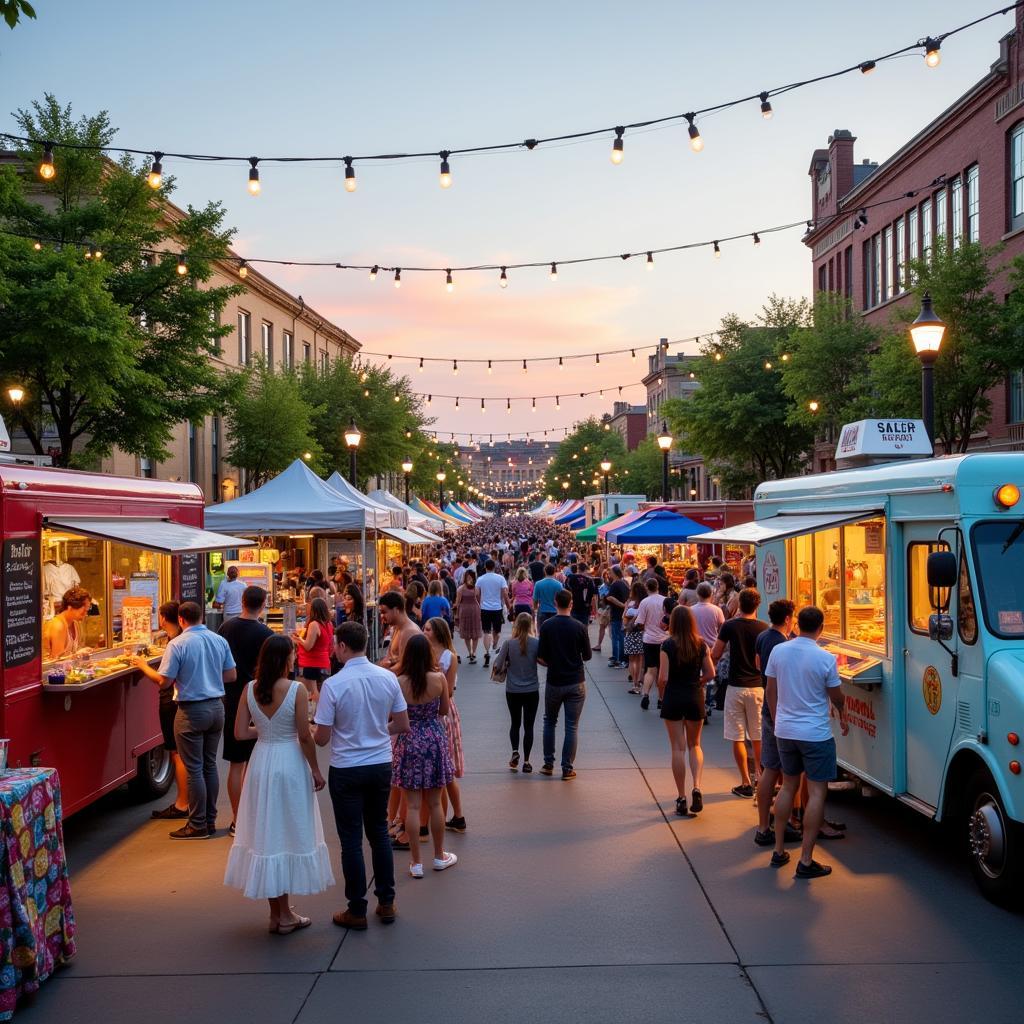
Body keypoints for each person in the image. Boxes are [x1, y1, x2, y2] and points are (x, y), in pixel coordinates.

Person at [224, 635, 332, 932]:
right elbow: (304, 735)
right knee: (288, 832)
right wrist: (316, 769)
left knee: (267, 833)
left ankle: (278, 912)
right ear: (286, 659)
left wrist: (266, 729)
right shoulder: (296, 690)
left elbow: (240, 734)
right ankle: (284, 916)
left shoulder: (249, 689)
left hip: (261, 763)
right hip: (289, 763)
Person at [315, 622, 410, 929]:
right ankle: (387, 901)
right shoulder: (387, 678)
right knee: (379, 833)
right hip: (380, 762)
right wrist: (377, 731)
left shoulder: (334, 684)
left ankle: (356, 908)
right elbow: (402, 723)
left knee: (351, 840)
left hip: (346, 767)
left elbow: (322, 738)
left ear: (342, 646)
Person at [765, 606, 848, 879]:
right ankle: (806, 859)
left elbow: (771, 691)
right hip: (816, 733)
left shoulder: (779, 651)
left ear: (797, 624)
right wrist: (843, 715)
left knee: (788, 785)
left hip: (785, 730)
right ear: (821, 628)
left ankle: (778, 850)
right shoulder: (825, 658)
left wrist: (779, 721)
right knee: (816, 793)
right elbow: (836, 696)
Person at [156, 601, 236, 839]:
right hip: (216, 708)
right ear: (201, 616)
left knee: (194, 769)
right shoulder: (219, 640)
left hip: (191, 711)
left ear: (181, 620)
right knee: (209, 765)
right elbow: (231, 675)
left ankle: (198, 824)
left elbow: (165, 682)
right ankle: (210, 820)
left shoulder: (177, 644)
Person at [391, 634, 458, 877]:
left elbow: (393, 715)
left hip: (409, 740)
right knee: (434, 803)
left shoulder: (398, 682)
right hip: (433, 739)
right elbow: (443, 710)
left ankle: (416, 862)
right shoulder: (439, 678)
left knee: (411, 805)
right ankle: (439, 856)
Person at [219, 586, 273, 836]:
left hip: (231, 698)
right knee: (258, 762)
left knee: (236, 763)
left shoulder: (225, 629)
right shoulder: (266, 634)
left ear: (241, 601)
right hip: (259, 698)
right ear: (263, 604)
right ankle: (257, 817)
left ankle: (237, 819)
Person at [132, 601, 187, 820]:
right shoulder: (182, 639)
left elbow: (163, 681)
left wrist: (141, 665)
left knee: (176, 753)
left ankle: (183, 803)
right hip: (186, 703)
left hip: (172, 701)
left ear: (163, 618)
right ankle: (191, 803)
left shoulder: (174, 644)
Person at [659, 606, 716, 816]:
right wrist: (698, 682)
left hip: (674, 695)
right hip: (694, 695)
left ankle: (681, 797)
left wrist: (661, 695)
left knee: (677, 748)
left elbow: (663, 677)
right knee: (695, 745)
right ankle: (697, 787)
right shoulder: (700, 644)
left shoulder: (667, 645)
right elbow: (711, 672)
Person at [712, 588, 767, 798]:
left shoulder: (729, 626)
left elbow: (716, 652)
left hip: (735, 686)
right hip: (757, 686)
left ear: (739, 604)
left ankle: (745, 781)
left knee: (737, 736)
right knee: (758, 735)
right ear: (757, 605)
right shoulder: (764, 628)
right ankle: (761, 776)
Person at [754, 599, 798, 847]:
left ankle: (764, 826)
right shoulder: (782, 644)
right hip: (780, 709)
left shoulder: (762, 637)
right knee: (788, 773)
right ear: (789, 618)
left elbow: (758, 666)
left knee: (770, 768)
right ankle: (785, 821)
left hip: (769, 709)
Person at [537, 590, 592, 780]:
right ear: (571, 604)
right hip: (576, 681)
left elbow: (541, 657)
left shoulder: (547, 626)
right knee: (571, 726)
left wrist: (552, 662)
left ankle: (548, 763)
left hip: (554, 680)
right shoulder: (579, 627)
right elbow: (587, 655)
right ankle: (567, 768)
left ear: (555, 602)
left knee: (549, 722)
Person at [424, 617, 466, 833]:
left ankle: (453, 816)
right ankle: (452, 817)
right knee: (441, 770)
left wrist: (434, 680)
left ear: (438, 632)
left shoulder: (450, 656)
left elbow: (448, 691)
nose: (424, 631)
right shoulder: (424, 652)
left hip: (442, 712)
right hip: (429, 711)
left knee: (444, 770)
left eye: (428, 629)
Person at [493, 612, 540, 773]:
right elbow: (542, 660)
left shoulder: (508, 643)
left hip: (513, 689)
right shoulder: (536, 643)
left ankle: (514, 752)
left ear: (516, 625)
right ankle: (527, 761)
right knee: (529, 726)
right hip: (532, 689)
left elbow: (498, 665)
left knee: (515, 723)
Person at [293, 597, 333, 718]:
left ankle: (320, 717)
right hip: (324, 662)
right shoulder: (329, 624)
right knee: (322, 692)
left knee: (313, 693)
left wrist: (298, 639)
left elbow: (308, 646)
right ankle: (323, 716)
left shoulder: (314, 624)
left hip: (312, 663)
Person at [634, 578, 669, 711]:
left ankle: (646, 694)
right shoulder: (665, 600)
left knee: (650, 669)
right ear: (658, 587)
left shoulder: (645, 602)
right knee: (663, 671)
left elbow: (640, 622)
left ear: (647, 588)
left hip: (649, 639)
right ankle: (661, 698)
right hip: (664, 640)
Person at [691, 582, 725, 716]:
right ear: (711, 594)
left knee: (699, 674)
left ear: (698, 594)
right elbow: (722, 628)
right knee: (711, 675)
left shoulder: (691, 610)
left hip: (696, 646)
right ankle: (708, 703)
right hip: (712, 647)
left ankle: (700, 700)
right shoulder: (717, 610)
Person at [476, 559, 510, 669]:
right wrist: (508, 606)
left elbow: (476, 593)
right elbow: (505, 593)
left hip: (485, 608)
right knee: (497, 631)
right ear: (494, 567)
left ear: (485, 567)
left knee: (486, 631)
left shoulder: (480, 579)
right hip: (497, 608)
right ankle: (494, 644)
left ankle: (487, 652)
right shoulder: (500, 578)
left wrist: (480, 601)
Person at [44, 585, 92, 660]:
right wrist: (77, 655)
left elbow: (75, 652)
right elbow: (56, 661)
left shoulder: (76, 623)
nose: (85, 614)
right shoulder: (58, 625)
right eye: (83, 611)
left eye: (87, 610)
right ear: (70, 608)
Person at [378, 590, 420, 672]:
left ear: (396, 610)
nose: (382, 616)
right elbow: (391, 656)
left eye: (384, 612)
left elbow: (405, 666)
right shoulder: (396, 628)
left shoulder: (409, 632)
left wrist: (384, 673)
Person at [623, 579, 647, 694]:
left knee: (632, 660)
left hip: (631, 633)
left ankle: (635, 684)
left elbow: (624, 620)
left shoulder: (630, 604)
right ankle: (639, 682)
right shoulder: (645, 603)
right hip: (642, 634)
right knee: (640, 660)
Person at [454, 568, 482, 663]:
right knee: (468, 633)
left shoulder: (464, 589)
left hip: (469, 610)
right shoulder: (463, 589)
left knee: (474, 634)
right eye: (468, 577)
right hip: (470, 610)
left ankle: (472, 652)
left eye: (471, 577)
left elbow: (457, 603)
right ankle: (471, 652)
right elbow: (457, 602)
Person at [605, 565, 630, 670]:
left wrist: (621, 605)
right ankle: (622, 658)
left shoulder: (615, 584)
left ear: (614, 574)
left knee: (616, 637)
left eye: (610, 573)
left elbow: (610, 597)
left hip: (617, 614)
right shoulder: (624, 583)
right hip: (623, 614)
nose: (609, 575)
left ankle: (617, 658)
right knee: (621, 636)